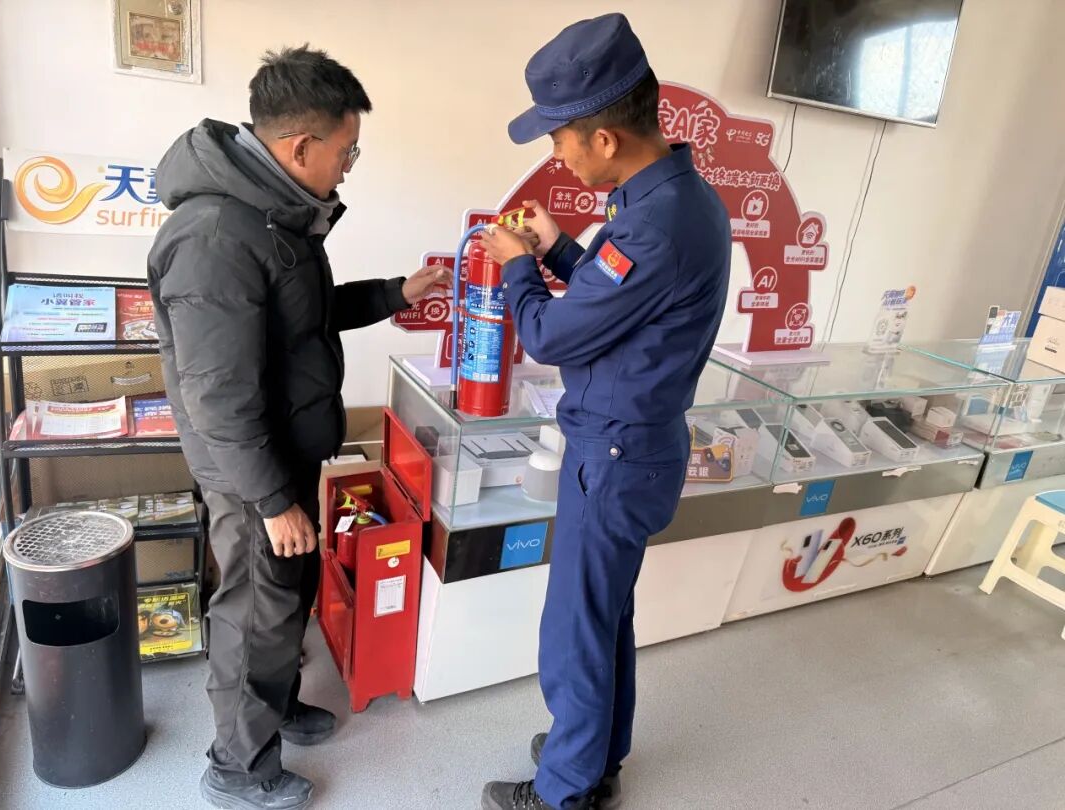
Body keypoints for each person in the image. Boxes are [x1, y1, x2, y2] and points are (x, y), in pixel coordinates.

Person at [147, 45, 447, 810]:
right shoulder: (216, 235)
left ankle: (276, 707)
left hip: (285, 454)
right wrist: (274, 501)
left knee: (287, 598)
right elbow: (218, 397)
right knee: (256, 613)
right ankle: (238, 770)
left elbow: (304, 318)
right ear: (301, 146)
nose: (349, 166)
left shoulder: (273, 217)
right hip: (253, 471)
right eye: (347, 151)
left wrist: (397, 292)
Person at [477, 13, 731, 810]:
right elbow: (621, 300)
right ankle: (595, 755)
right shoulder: (675, 202)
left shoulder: (651, 225)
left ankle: (564, 792)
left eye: (559, 141)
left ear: (605, 138)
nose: (557, 156)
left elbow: (552, 334)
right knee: (604, 616)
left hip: (613, 457)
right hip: (637, 447)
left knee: (575, 632)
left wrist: (518, 268)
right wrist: (558, 249)